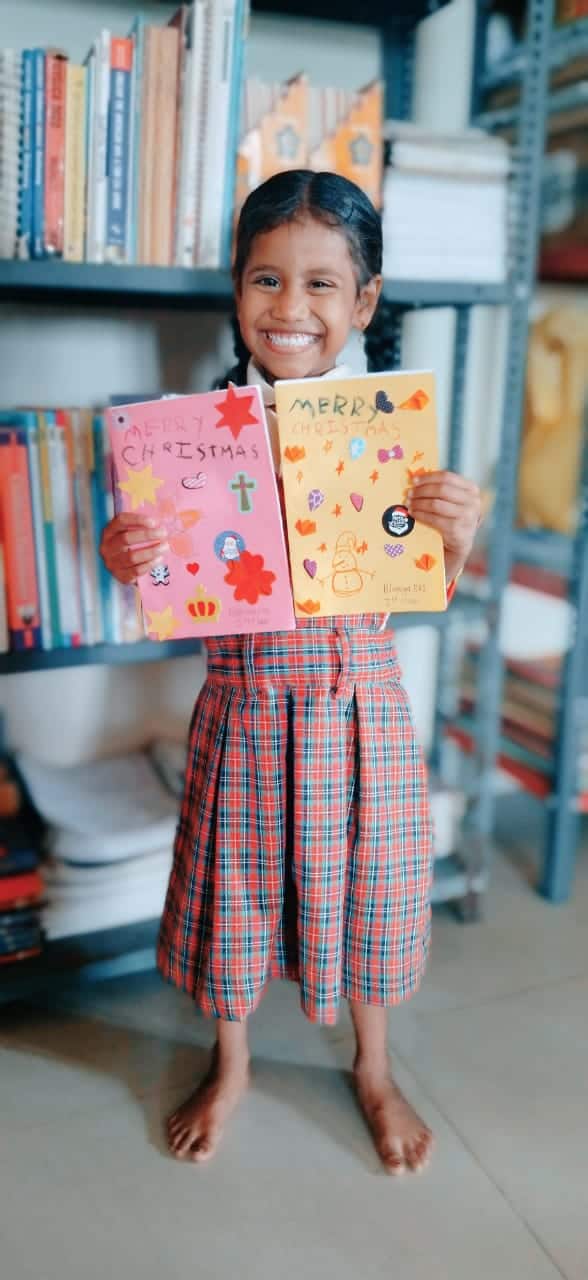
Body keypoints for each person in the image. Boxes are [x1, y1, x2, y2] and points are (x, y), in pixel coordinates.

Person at [100, 170, 481, 1176]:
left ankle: (373, 1062)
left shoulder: (386, 434)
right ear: (237, 293)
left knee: (370, 892)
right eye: (267, 280)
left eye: (322, 284)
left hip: (361, 713)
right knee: (234, 893)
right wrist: (124, 549)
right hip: (244, 710)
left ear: (363, 302)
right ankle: (231, 1063)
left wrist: (457, 535)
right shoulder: (194, 437)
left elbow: (423, 580)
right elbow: (159, 578)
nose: (292, 307)